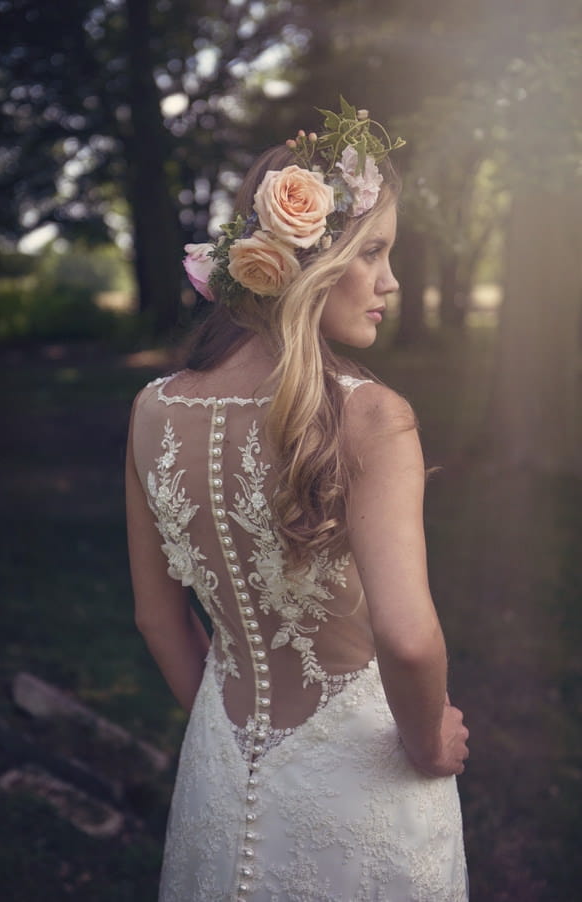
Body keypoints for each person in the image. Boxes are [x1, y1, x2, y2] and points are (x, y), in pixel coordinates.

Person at [126, 99, 469, 902]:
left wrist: (225, 735)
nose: (391, 281)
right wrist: (427, 743)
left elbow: (155, 617)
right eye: (373, 252)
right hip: (364, 784)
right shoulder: (374, 417)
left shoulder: (154, 409)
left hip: (221, 766)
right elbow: (409, 640)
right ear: (309, 256)